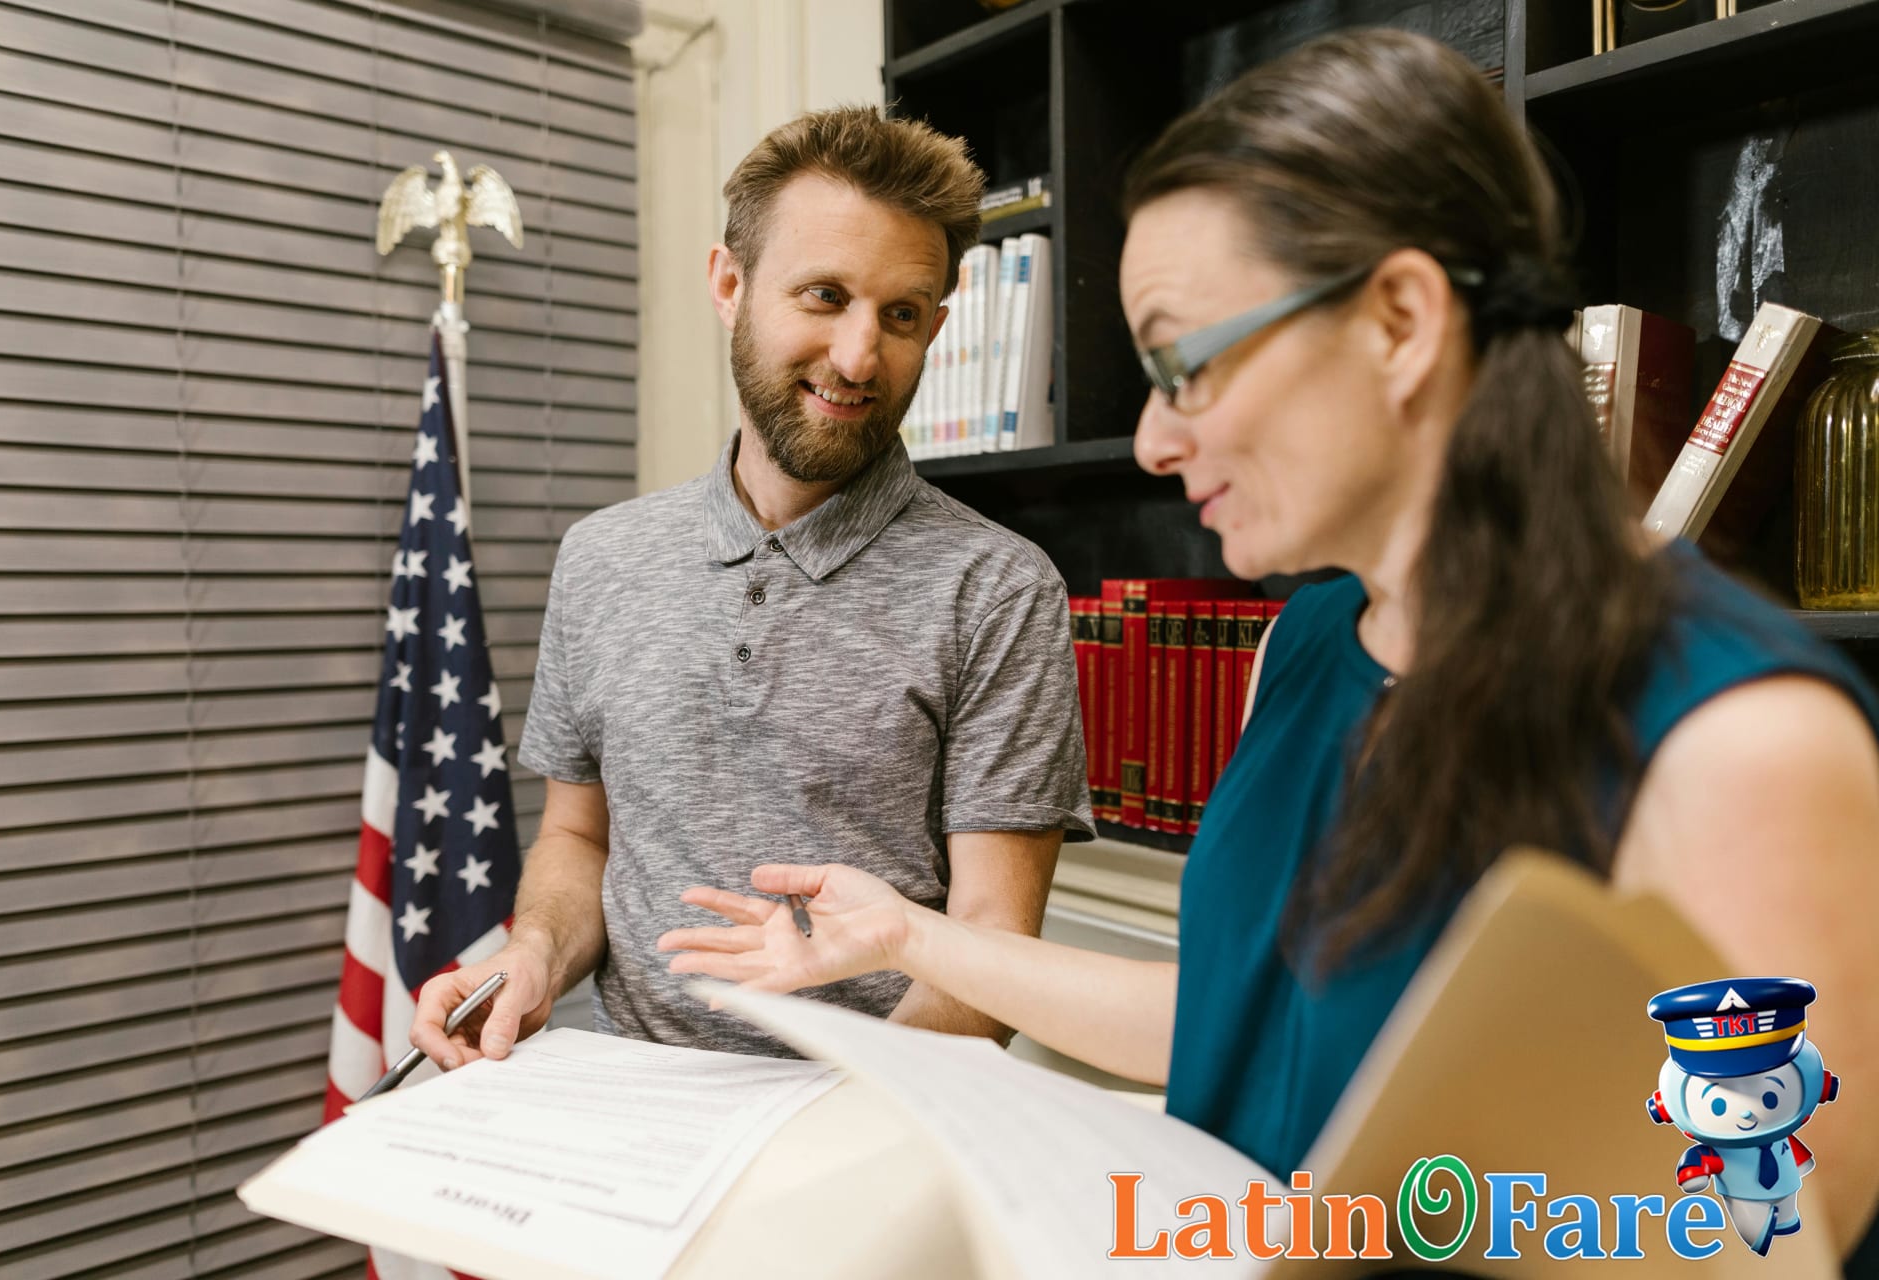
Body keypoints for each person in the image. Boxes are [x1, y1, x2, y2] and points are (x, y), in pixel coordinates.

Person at [657, 29, 1879, 1263]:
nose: (1150, 441)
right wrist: (911, 935)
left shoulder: (1745, 742)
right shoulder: (1301, 649)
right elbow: (1238, 1014)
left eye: (1183, 364)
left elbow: (1762, 1239)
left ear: (1399, 319)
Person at [409, 106, 1093, 1066]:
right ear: (730, 284)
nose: (860, 359)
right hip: (629, 1101)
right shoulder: (604, 557)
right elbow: (579, 838)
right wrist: (531, 954)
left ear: (937, 326)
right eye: (824, 296)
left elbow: (991, 946)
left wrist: (842, 1132)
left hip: (874, 1120)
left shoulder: (999, 589)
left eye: (901, 315)